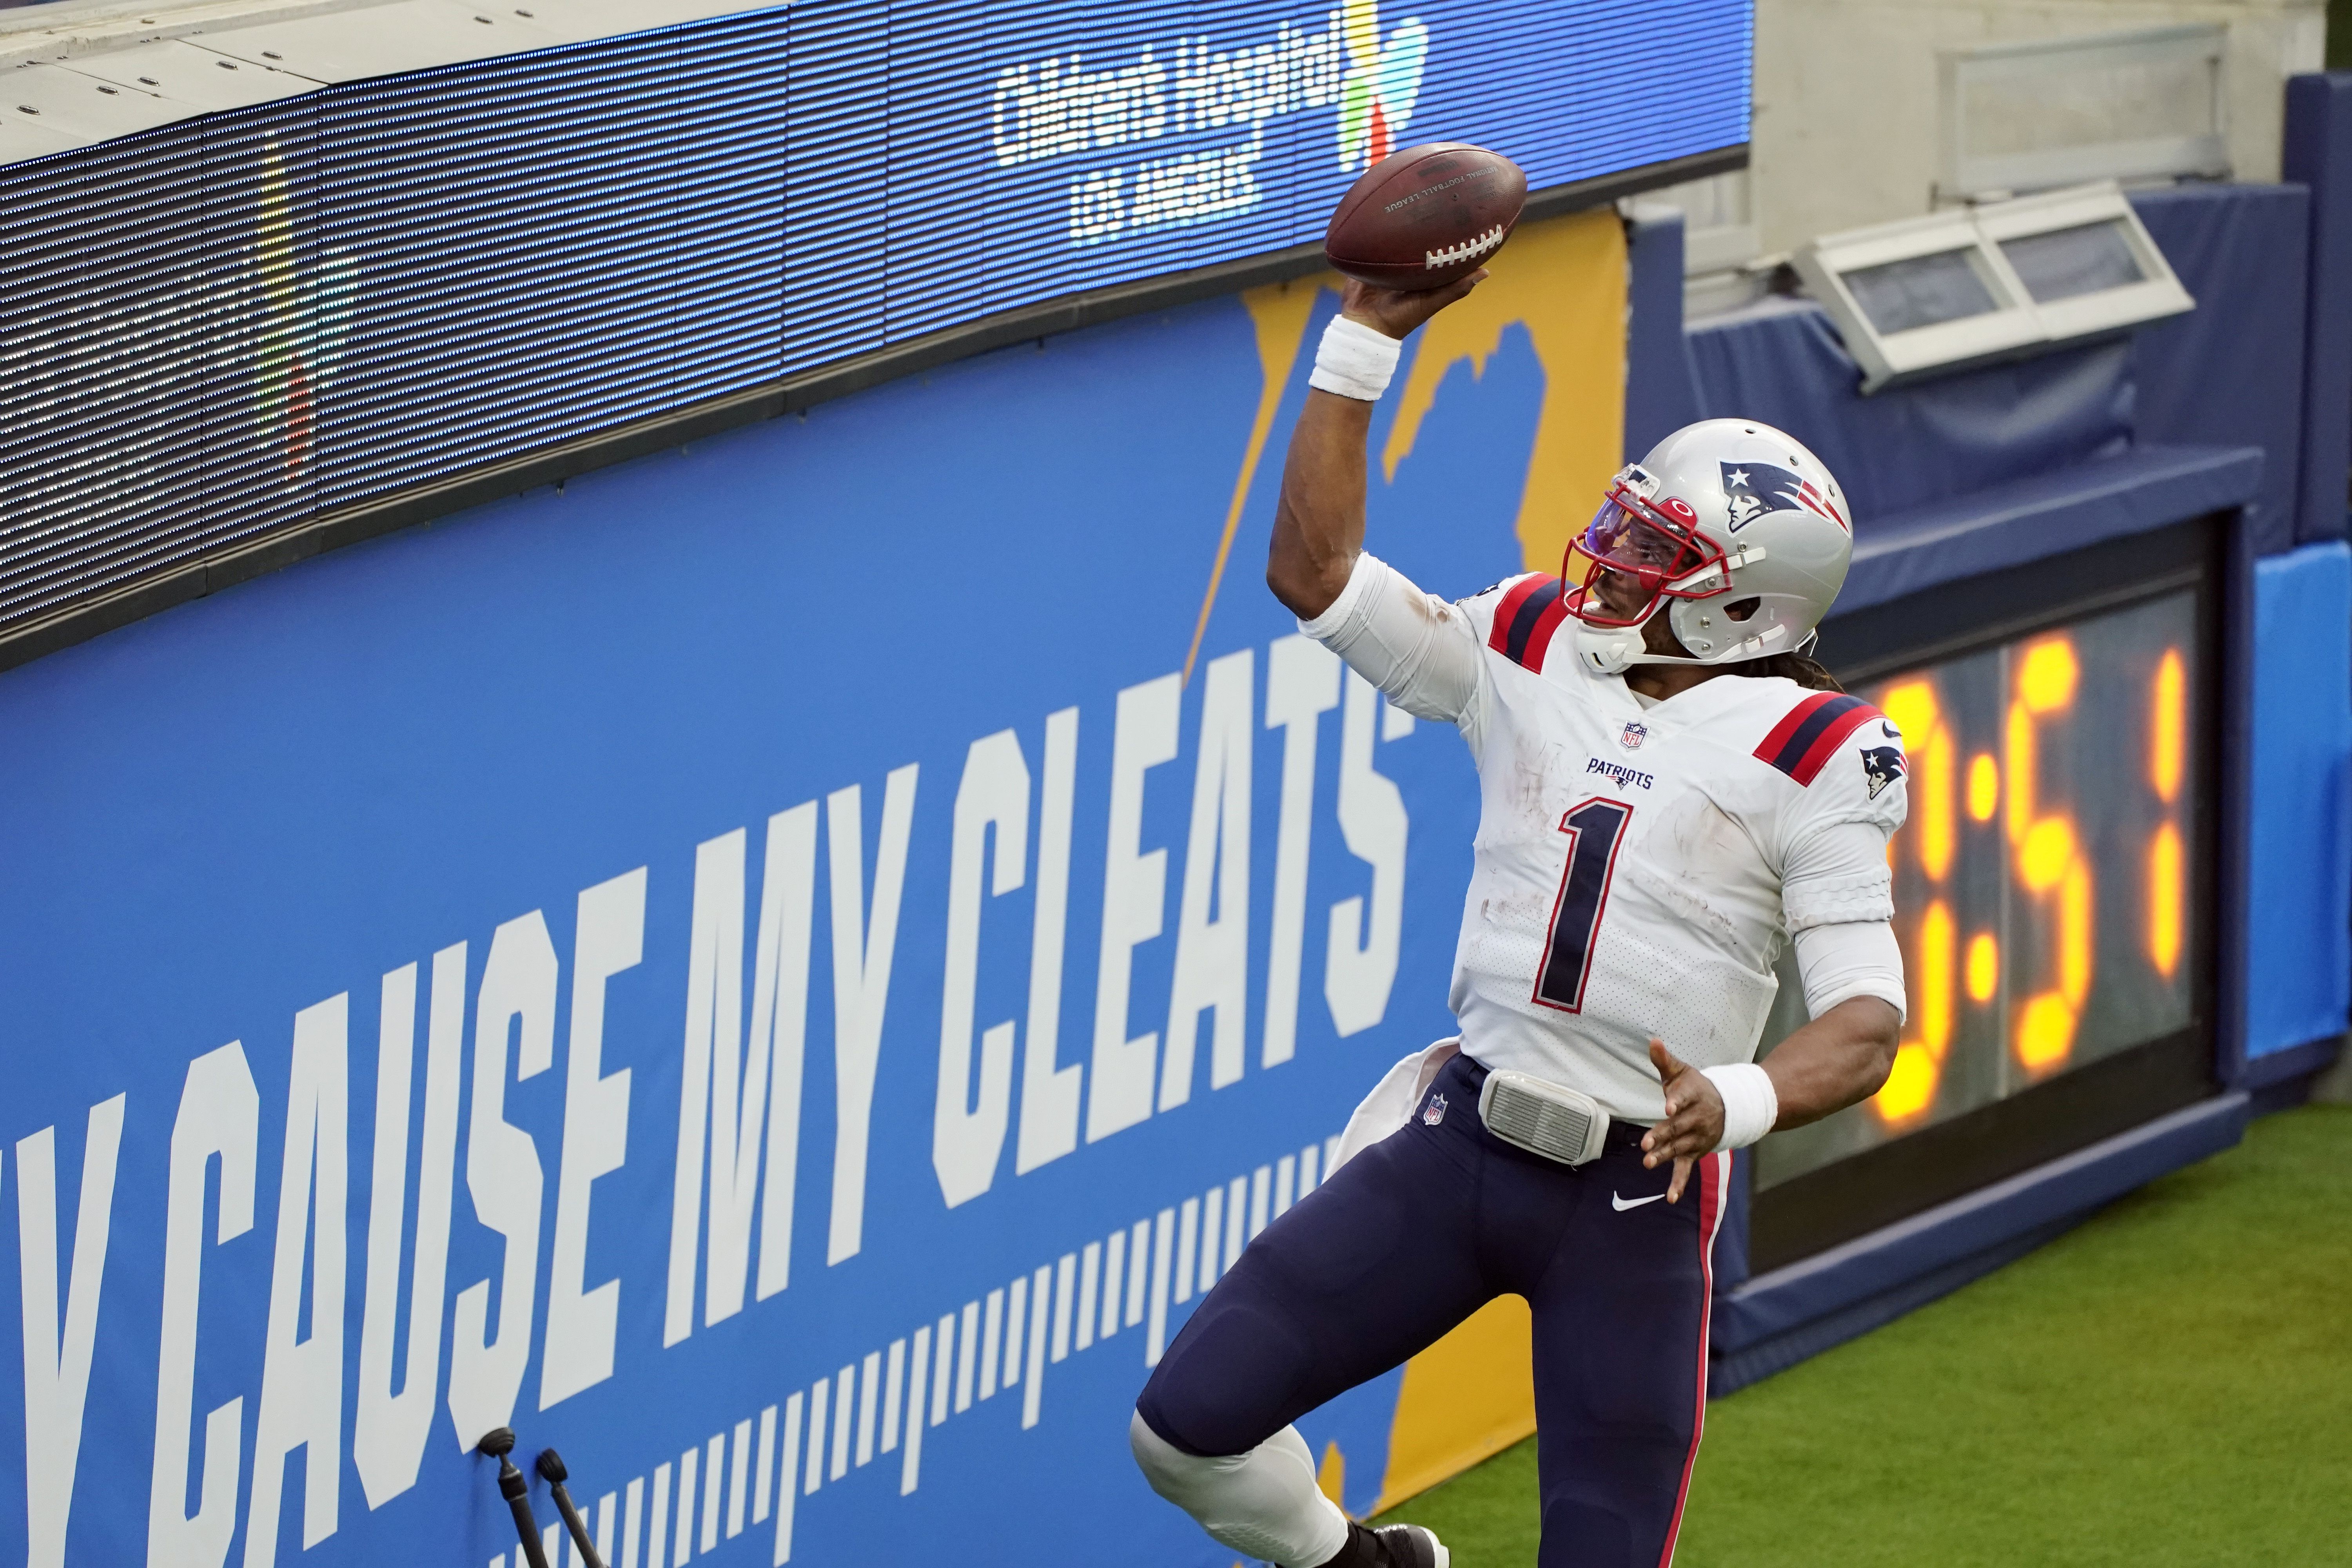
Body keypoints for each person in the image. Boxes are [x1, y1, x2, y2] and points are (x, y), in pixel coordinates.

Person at [1128, 271, 1911, 1568]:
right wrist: (1364, 342)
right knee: (1185, 1431)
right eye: (1630, 526)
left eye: (1661, 555)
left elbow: (1868, 1028)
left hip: (1633, 1193)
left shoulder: (1822, 748)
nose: (1612, 559)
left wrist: (1736, 1098)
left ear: (1740, 607)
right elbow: (1312, 572)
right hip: (1463, 1145)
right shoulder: (1540, 639)